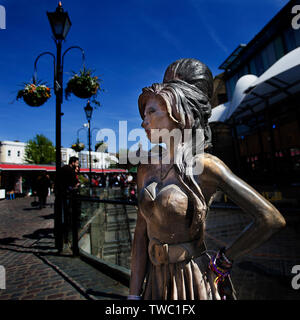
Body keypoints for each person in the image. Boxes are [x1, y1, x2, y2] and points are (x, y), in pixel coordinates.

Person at [128, 58, 286, 300]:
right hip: (155, 282)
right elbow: (140, 234)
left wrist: (225, 259)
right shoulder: (145, 168)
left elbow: (270, 218)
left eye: (152, 111)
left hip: (192, 278)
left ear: (177, 112)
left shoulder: (206, 166)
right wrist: (133, 295)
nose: (143, 121)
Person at [60, 156, 79, 251]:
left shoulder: (63, 169)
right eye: (77, 163)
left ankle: (64, 236)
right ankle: (66, 236)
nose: (77, 165)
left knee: (64, 215)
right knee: (68, 215)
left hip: (62, 194)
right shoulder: (70, 170)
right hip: (67, 194)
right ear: (73, 162)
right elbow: (74, 182)